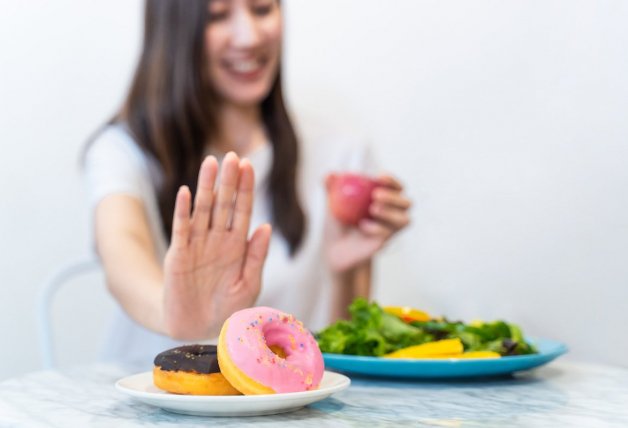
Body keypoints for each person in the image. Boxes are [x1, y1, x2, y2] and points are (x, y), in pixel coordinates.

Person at [84, 0, 411, 365]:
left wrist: (344, 272)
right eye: (217, 16)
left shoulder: (340, 155)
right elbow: (121, 251)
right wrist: (174, 313)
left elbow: (344, 361)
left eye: (261, 9)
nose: (250, 36)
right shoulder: (123, 150)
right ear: (173, 31)